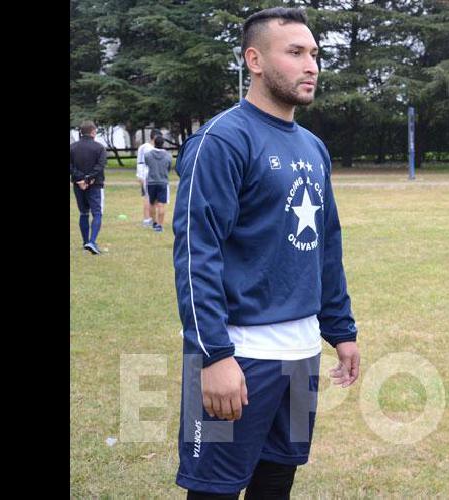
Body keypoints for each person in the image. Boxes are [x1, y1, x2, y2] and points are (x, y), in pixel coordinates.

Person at [171, 7, 360, 498]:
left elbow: (326, 247)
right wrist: (213, 356)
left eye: (315, 54)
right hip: (238, 356)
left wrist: (341, 330)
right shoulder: (222, 140)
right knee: (213, 490)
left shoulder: (314, 147)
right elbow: (197, 254)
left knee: (276, 483)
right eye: (295, 52)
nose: (311, 65)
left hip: (301, 355)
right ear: (254, 59)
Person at [70, 120, 107, 255]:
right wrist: (89, 177)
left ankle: (85, 241)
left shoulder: (72, 147)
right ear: (93, 132)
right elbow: (100, 165)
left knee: (83, 213)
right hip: (95, 184)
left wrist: (80, 178)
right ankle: (92, 241)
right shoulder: (99, 148)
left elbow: (71, 166)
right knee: (97, 213)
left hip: (78, 185)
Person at [143, 134, 172, 232]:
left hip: (151, 182)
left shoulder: (147, 155)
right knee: (161, 205)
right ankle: (160, 225)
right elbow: (168, 167)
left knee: (152, 204)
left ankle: (154, 222)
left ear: (154, 143)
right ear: (163, 143)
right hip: (163, 181)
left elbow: (147, 164)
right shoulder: (168, 156)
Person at [137, 130, 163, 227]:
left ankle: (149, 218)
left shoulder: (143, 147)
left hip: (144, 174)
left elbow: (139, 162)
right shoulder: (149, 148)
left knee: (148, 197)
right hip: (148, 174)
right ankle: (148, 219)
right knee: (148, 198)